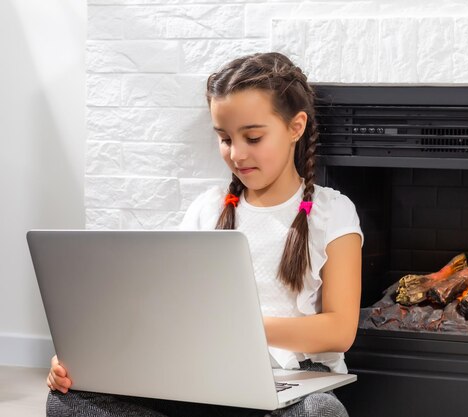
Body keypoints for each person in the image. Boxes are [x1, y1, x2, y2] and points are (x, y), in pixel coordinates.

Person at [45, 52, 363, 417]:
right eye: (225, 138)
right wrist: (84, 359)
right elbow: (164, 311)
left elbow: (339, 330)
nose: (237, 153)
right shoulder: (206, 209)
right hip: (208, 379)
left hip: (295, 379)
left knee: (321, 412)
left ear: (295, 127)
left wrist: (239, 328)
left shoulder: (332, 212)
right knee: (67, 401)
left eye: (253, 137)